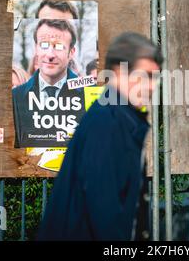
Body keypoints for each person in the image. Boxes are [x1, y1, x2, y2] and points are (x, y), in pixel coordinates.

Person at [37, 32, 162, 241]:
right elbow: (105, 213)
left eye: (155, 78)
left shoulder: (122, 120)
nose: (151, 86)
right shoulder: (107, 123)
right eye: (145, 76)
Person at [12, 19, 84, 147]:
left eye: (59, 46)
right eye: (44, 45)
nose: (50, 54)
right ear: (36, 48)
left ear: (71, 53)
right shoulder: (16, 97)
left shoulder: (89, 95)